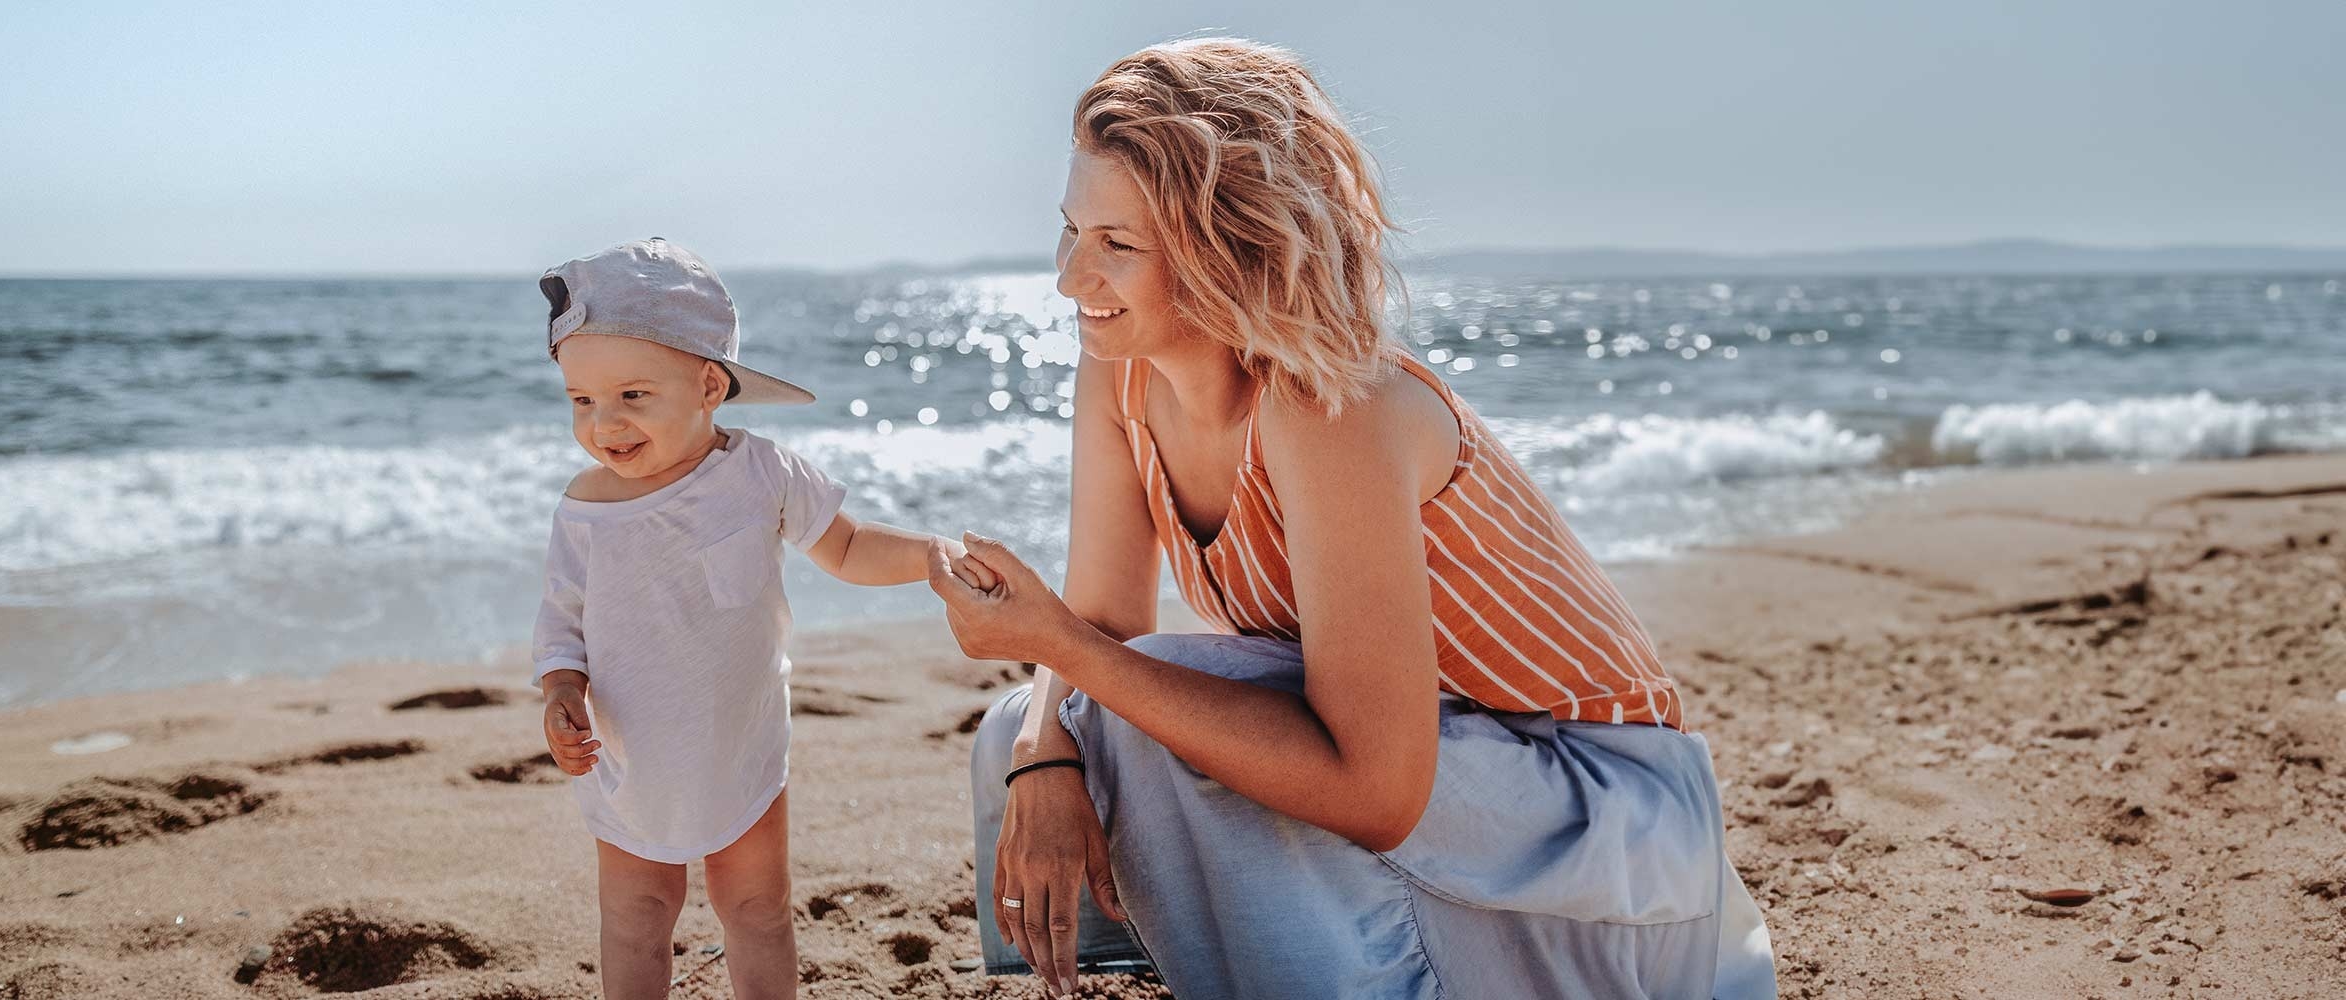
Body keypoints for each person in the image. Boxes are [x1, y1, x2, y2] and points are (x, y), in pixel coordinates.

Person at [927, 39, 1780, 998]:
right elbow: (1100, 625)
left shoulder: (1328, 404)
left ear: (1228, 248)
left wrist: (1068, 661)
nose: (1071, 279)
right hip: (1458, 767)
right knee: (1027, 731)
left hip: (1594, 811)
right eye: (1070, 230)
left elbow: (1376, 789)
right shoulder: (1120, 371)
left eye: (1117, 245)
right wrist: (1045, 757)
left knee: (1139, 705)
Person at [526, 238, 981, 999]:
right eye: (583, 400)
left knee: (758, 909)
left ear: (708, 385)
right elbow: (561, 618)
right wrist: (560, 692)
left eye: (633, 396)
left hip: (740, 743)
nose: (605, 423)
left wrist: (931, 556)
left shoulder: (761, 471)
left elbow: (847, 544)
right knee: (638, 914)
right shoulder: (587, 508)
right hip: (631, 750)